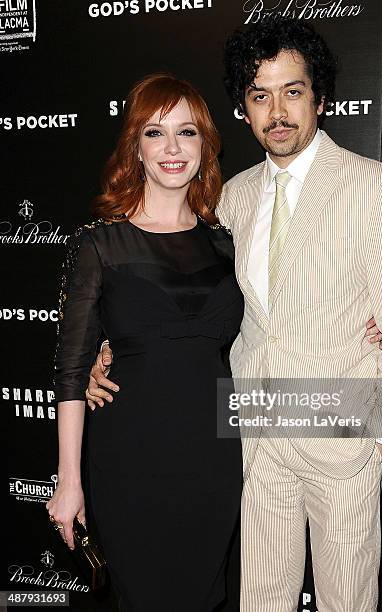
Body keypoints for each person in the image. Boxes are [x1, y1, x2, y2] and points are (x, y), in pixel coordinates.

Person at [85, 23, 382, 611]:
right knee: (259, 600)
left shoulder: (374, 186)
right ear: (244, 109)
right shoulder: (232, 197)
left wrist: (374, 439)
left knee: (345, 601)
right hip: (254, 440)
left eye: (293, 91)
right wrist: (102, 351)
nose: (277, 110)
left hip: (341, 440)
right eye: (261, 95)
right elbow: (183, 298)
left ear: (320, 97)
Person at [46, 73, 245, 612]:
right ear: (135, 146)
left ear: (205, 144)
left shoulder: (226, 242)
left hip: (215, 458)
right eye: (155, 133)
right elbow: (70, 370)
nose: (173, 148)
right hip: (130, 458)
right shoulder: (100, 244)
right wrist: (69, 483)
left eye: (187, 132)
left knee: (204, 596)